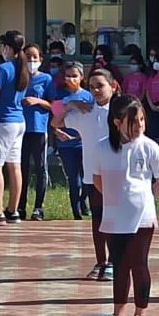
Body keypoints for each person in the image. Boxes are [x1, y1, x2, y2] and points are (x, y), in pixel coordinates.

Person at [91, 93, 159, 316]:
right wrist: (117, 202)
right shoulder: (103, 148)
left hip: (142, 219)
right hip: (114, 218)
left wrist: (144, 201)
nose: (139, 127)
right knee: (120, 266)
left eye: (142, 120)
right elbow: (98, 180)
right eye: (133, 121)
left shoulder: (148, 147)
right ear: (117, 122)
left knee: (139, 264)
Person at [59, 69, 119, 281]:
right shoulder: (86, 112)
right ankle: (100, 261)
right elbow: (56, 121)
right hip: (93, 173)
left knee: (114, 218)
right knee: (97, 217)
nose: (95, 90)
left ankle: (114, 260)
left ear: (113, 86)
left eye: (100, 86)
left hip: (116, 173)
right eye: (92, 86)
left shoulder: (120, 111)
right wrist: (71, 105)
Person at [0, 33, 27, 224]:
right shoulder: (23, 68)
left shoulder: (3, 69)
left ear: (8, 48)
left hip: (3, 120)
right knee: (14, 165)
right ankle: (13, 210)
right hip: (19, 121)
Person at [51, 62, 93, 221]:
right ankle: (76, 213)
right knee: (73, 179)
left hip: (84, 143)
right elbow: (55, 118)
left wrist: (80, 136)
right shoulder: (60, 95)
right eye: (68, 75)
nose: (71, 79)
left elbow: (92, 120)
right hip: (66, 145)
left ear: (82, 77)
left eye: (74, 76)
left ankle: (84, 202)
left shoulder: (88, 96)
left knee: (88, 178)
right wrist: (58, 132)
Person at [18, 44, 55, 221]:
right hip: (19, 128)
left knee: (40, 168)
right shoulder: (18, 77)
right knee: (21, 168)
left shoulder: (46, 79)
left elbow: (54, 105)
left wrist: (37, 101)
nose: (31, 60)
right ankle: (20, 205)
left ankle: (38, 207)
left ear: (40, 59)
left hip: (38, 129)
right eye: (28, 56)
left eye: (35, 57)